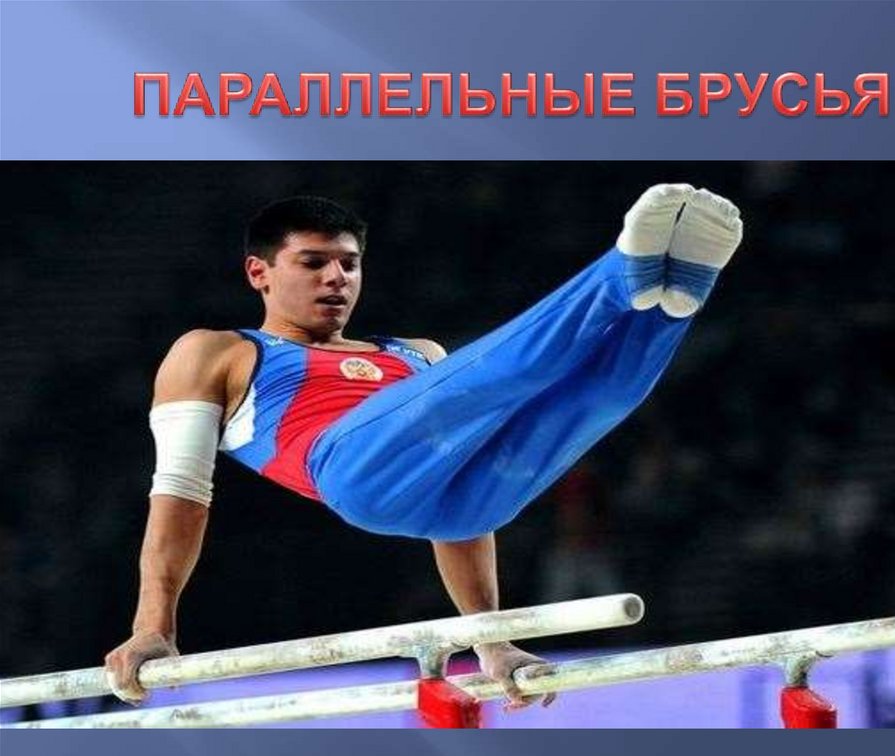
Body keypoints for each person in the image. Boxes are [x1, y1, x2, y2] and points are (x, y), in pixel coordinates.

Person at [104, 183, 743, 712]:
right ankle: (618, 273)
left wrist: (491, 640)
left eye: (349, 263)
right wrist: (153, 626)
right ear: (259, 273)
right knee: (499, 375)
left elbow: (457, 513)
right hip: (352, 474)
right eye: (313, 262)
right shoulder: (215, 352)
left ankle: (674, 298)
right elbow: (181, 491)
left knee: (591, 403)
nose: (336, 278)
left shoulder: (414, 355)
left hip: (463, 505)